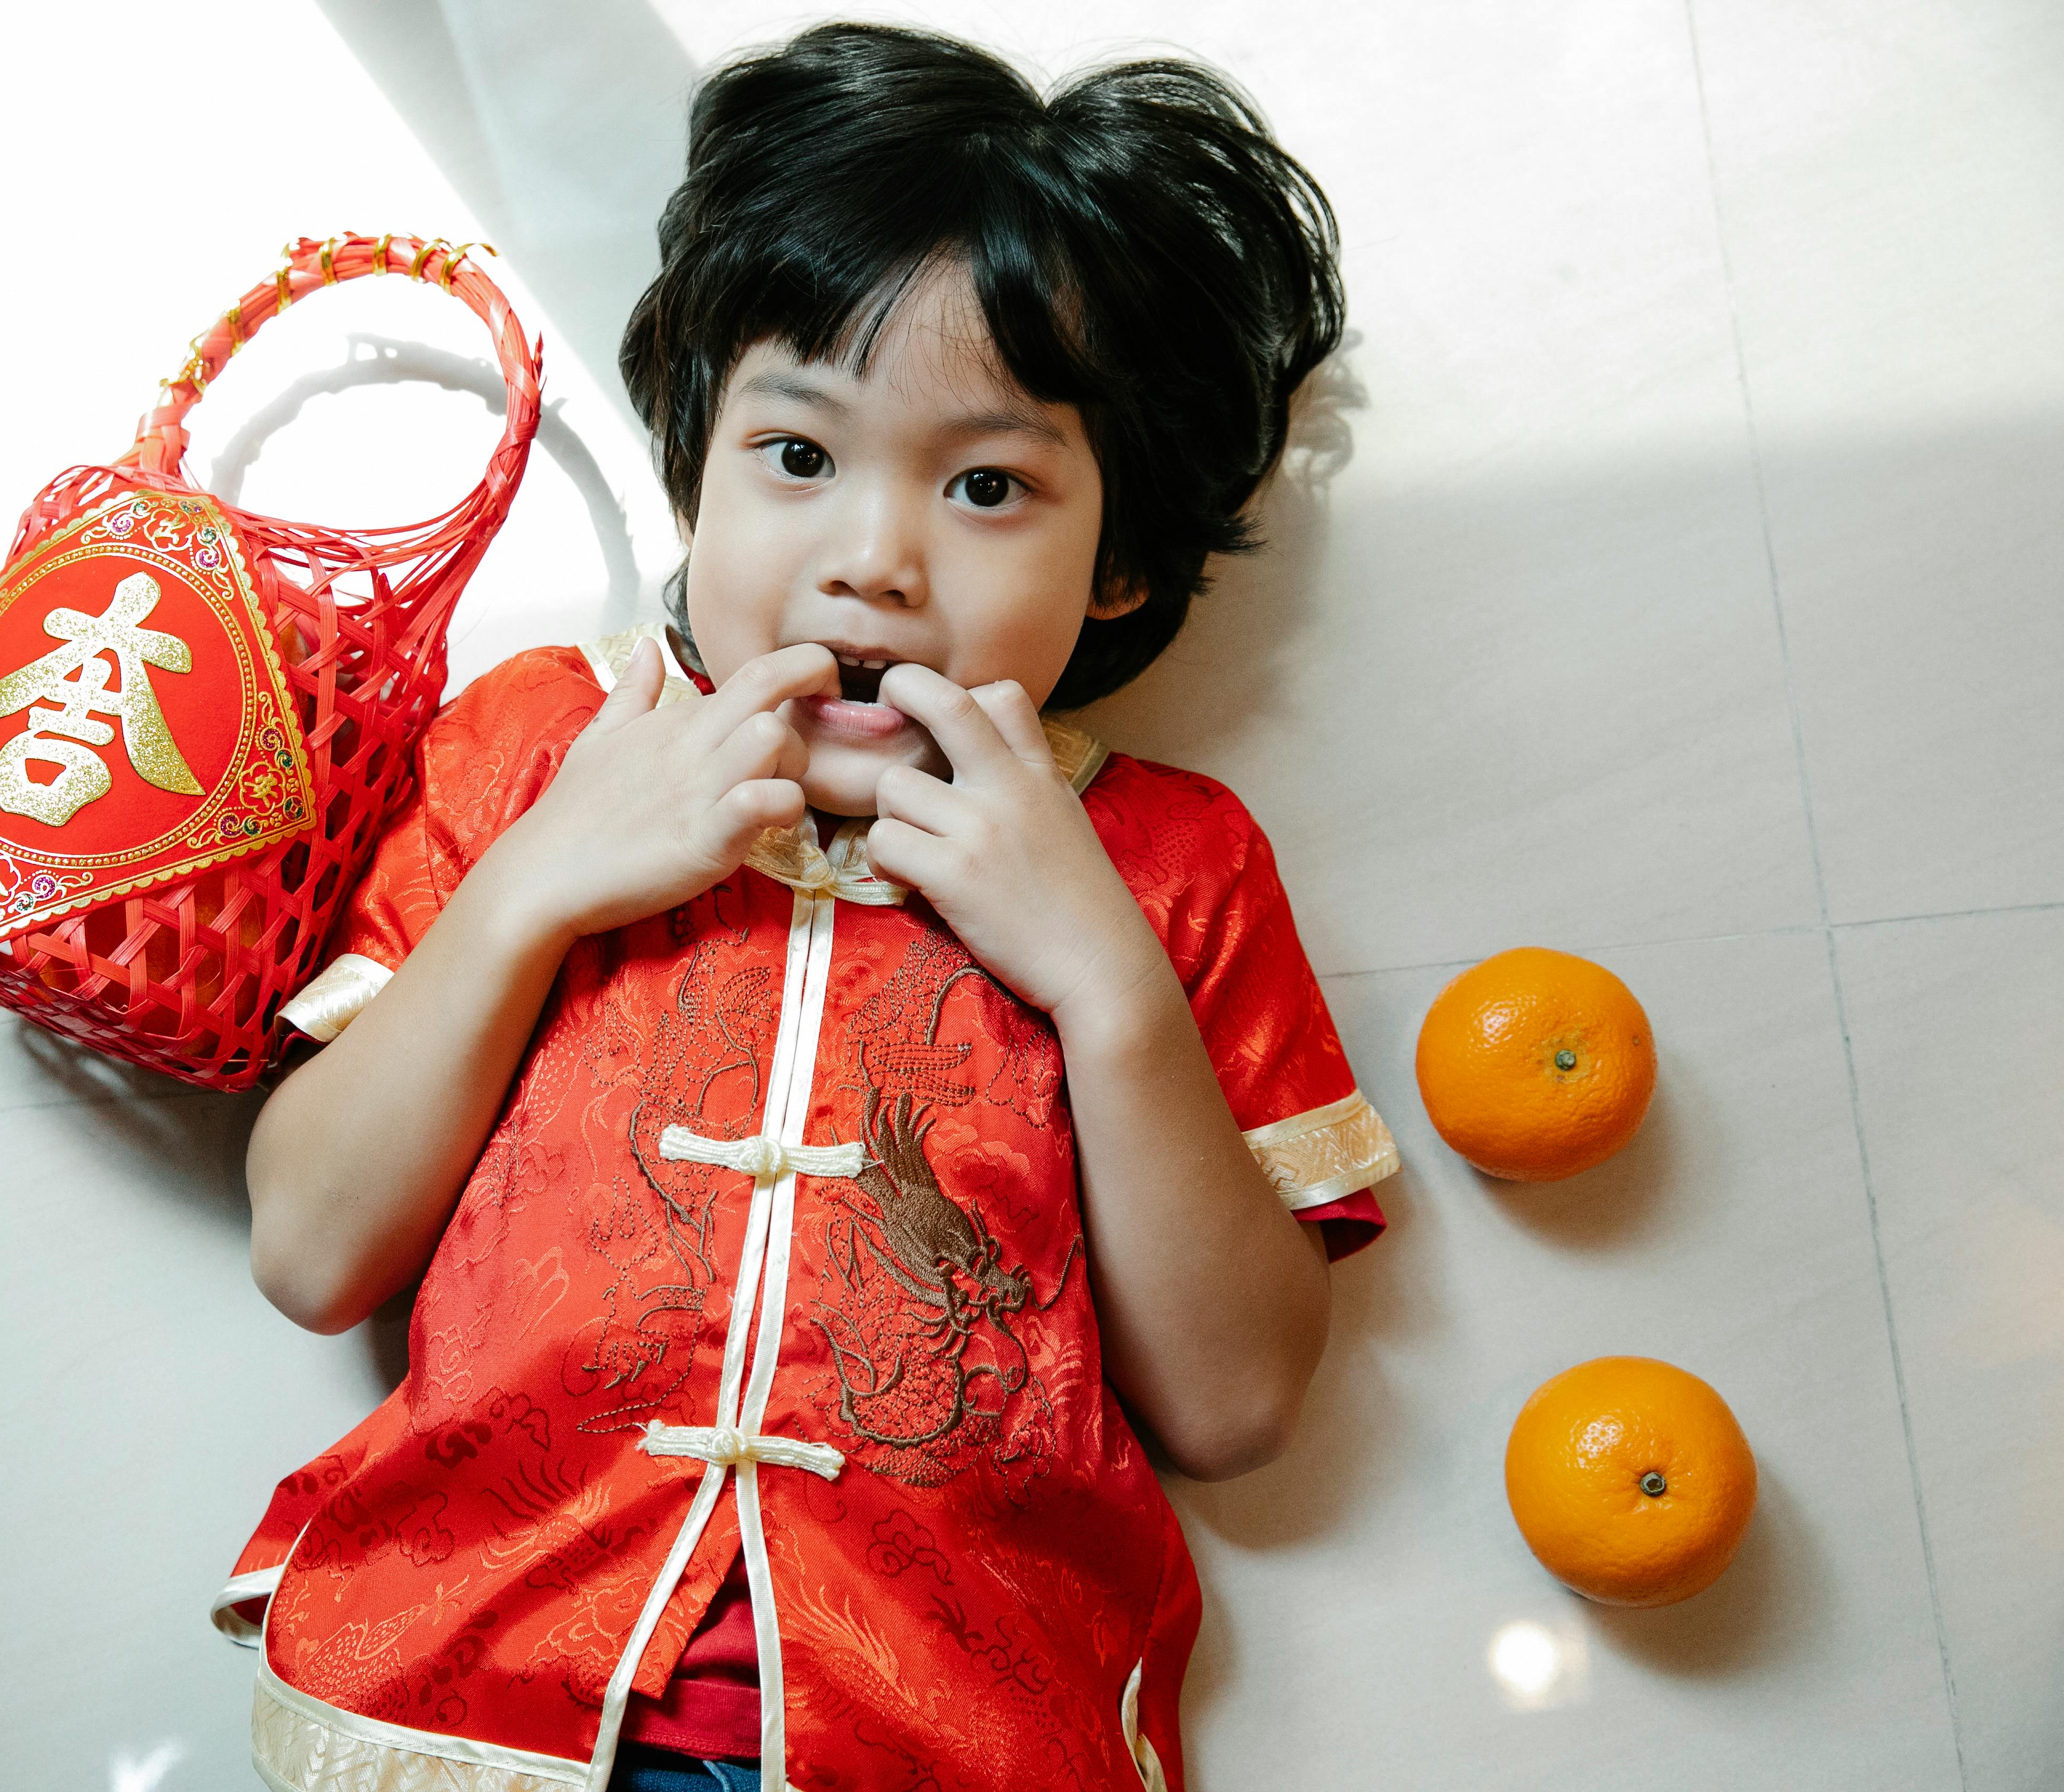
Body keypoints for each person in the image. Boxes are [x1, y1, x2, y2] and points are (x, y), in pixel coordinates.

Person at [215, 22, 1396, 1792]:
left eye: (988, 486)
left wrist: (1105, 984)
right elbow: (311, 1250)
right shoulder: (546, 744)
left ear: (1124, 556)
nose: (874, 557)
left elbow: (1237, 1407)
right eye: (796, 456)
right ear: (695, 457)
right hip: (455, 1703)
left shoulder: (1170, 863)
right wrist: (543, 881)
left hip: (957, 1740)